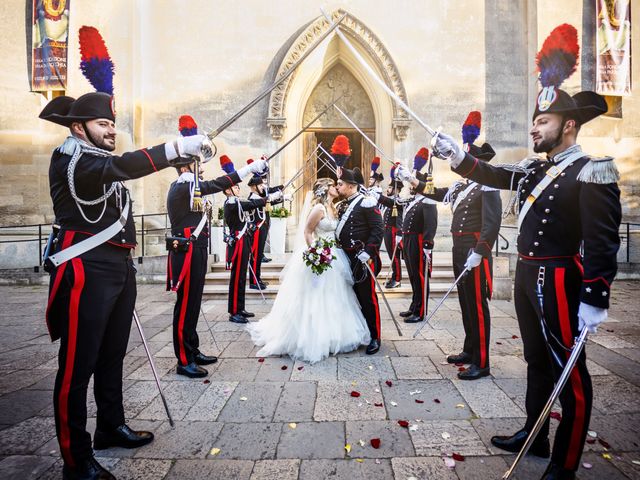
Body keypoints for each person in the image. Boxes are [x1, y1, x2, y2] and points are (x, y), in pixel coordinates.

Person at [421, 24, 622, 480]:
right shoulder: (534, 169)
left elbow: (604, 240)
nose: (534, 127)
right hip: (529, 275)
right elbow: (494, 175)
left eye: (543, 121)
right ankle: (535, 432)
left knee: (570, 372)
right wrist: (457, 157)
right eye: (535, 120)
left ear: (568, 126)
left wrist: (596, 295)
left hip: (560, 278)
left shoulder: (592, 171)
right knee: (535, 358)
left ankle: (565, 462)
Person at [39, 91, 210, 480]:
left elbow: (118, 173)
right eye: (103, 124)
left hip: (117, 265)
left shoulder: (98, 160)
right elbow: (126, 167)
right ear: (78, 127)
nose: (111, 130)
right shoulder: (71, 159)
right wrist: (175, 148)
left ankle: (109, 427)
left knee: (112, 353)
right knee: (76, 366)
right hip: (85, 267)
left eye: (112, 124)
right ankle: (75, 458)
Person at [166, 117, 268, 378]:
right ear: (186, 165)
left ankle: (193, 348)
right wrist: (247, 170)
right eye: (196, 162)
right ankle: (183, 359)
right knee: (186, 305)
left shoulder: (190, 185)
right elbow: (215, 186)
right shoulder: (183, 185)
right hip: (187, 252)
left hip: (196, 250)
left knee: (194, 303)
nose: (200, 167)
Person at [247, 178, 371, 363]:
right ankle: (313, 336)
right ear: (325, 189)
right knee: (316, 297)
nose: (337, 188)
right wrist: (316, 251)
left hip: (336, 256)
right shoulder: (318, 209)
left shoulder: (335, 207)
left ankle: (334, 334)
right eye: (333, 186)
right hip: (321, 254)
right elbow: (307, 231)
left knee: (335, 296)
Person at [420, 111, 502, 380]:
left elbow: (492, 223)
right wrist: (412, 181)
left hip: (474, 250)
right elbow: (437, 193)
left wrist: (480, 252)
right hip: (459, 249)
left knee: (478, 305)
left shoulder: (488, 187)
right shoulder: (462, 187)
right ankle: (470, 349)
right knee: (466, 302)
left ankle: (482, 361)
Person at [221, 155, 285, 324]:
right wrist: (267, 198)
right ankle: (234, 311)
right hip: (238, 243)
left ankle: (240, 308)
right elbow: (251, 205)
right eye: (234, 187)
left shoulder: (237, 202)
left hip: (244, 242)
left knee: (242, 277)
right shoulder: (231, 204)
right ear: (228, 190)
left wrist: (271, 195)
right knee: (236, 278)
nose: (237, 189)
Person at [335, 167, 385, 354]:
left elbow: (378, 229)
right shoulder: (344, 204)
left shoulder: (366, 202)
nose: (338, 187)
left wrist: (369, 252)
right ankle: (361, 332)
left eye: (341, 184)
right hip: (346, 257)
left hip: (362, 258)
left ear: (351, 186)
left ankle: (375, 336)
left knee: (368, 298)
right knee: (353, 297)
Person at [397, 149, 438, 324]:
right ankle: (414, 305)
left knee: (420, 276)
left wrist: (427, 245)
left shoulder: (427, 200)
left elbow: (431, 224)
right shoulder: (414, 201)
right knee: (413, 275)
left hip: (419, 241)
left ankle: (420, 312)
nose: (411, 186)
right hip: (409, 240)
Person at [245, 162, 284, 290]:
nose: (263, 186)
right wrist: (275, 196)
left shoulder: (258, 198)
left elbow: (267, 203)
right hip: (256, 231)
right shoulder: (252, 198)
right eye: (260, 184)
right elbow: (266, 200)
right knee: (255, 256)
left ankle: (257, 278)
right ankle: (254, 281)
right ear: (254, 186)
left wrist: (283, 197)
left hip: (262, 229)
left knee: (259, 255)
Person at [378, 164, 404, 289]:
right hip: (387, 231)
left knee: (395, 256)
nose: (387, 189)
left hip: (394, 231)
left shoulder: (398, 201)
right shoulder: (391, 201)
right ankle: (394, 277)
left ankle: (397, 279)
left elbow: (399, 219)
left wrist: (399, 233)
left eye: (389, 187)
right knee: (391, 256)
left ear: (396, 189)